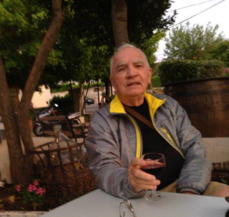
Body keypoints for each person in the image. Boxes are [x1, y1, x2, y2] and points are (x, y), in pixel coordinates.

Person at [85, 43, 229, 199]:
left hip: (188, 185)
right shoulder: (103, 121)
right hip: (141, 195)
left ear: (148, 75)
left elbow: (195, 148)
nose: (131, 73)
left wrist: (189, 191)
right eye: (121, 69)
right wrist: (130, 181)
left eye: (138, 66)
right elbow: (104, 169)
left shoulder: (169, 105)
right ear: (113, 82)